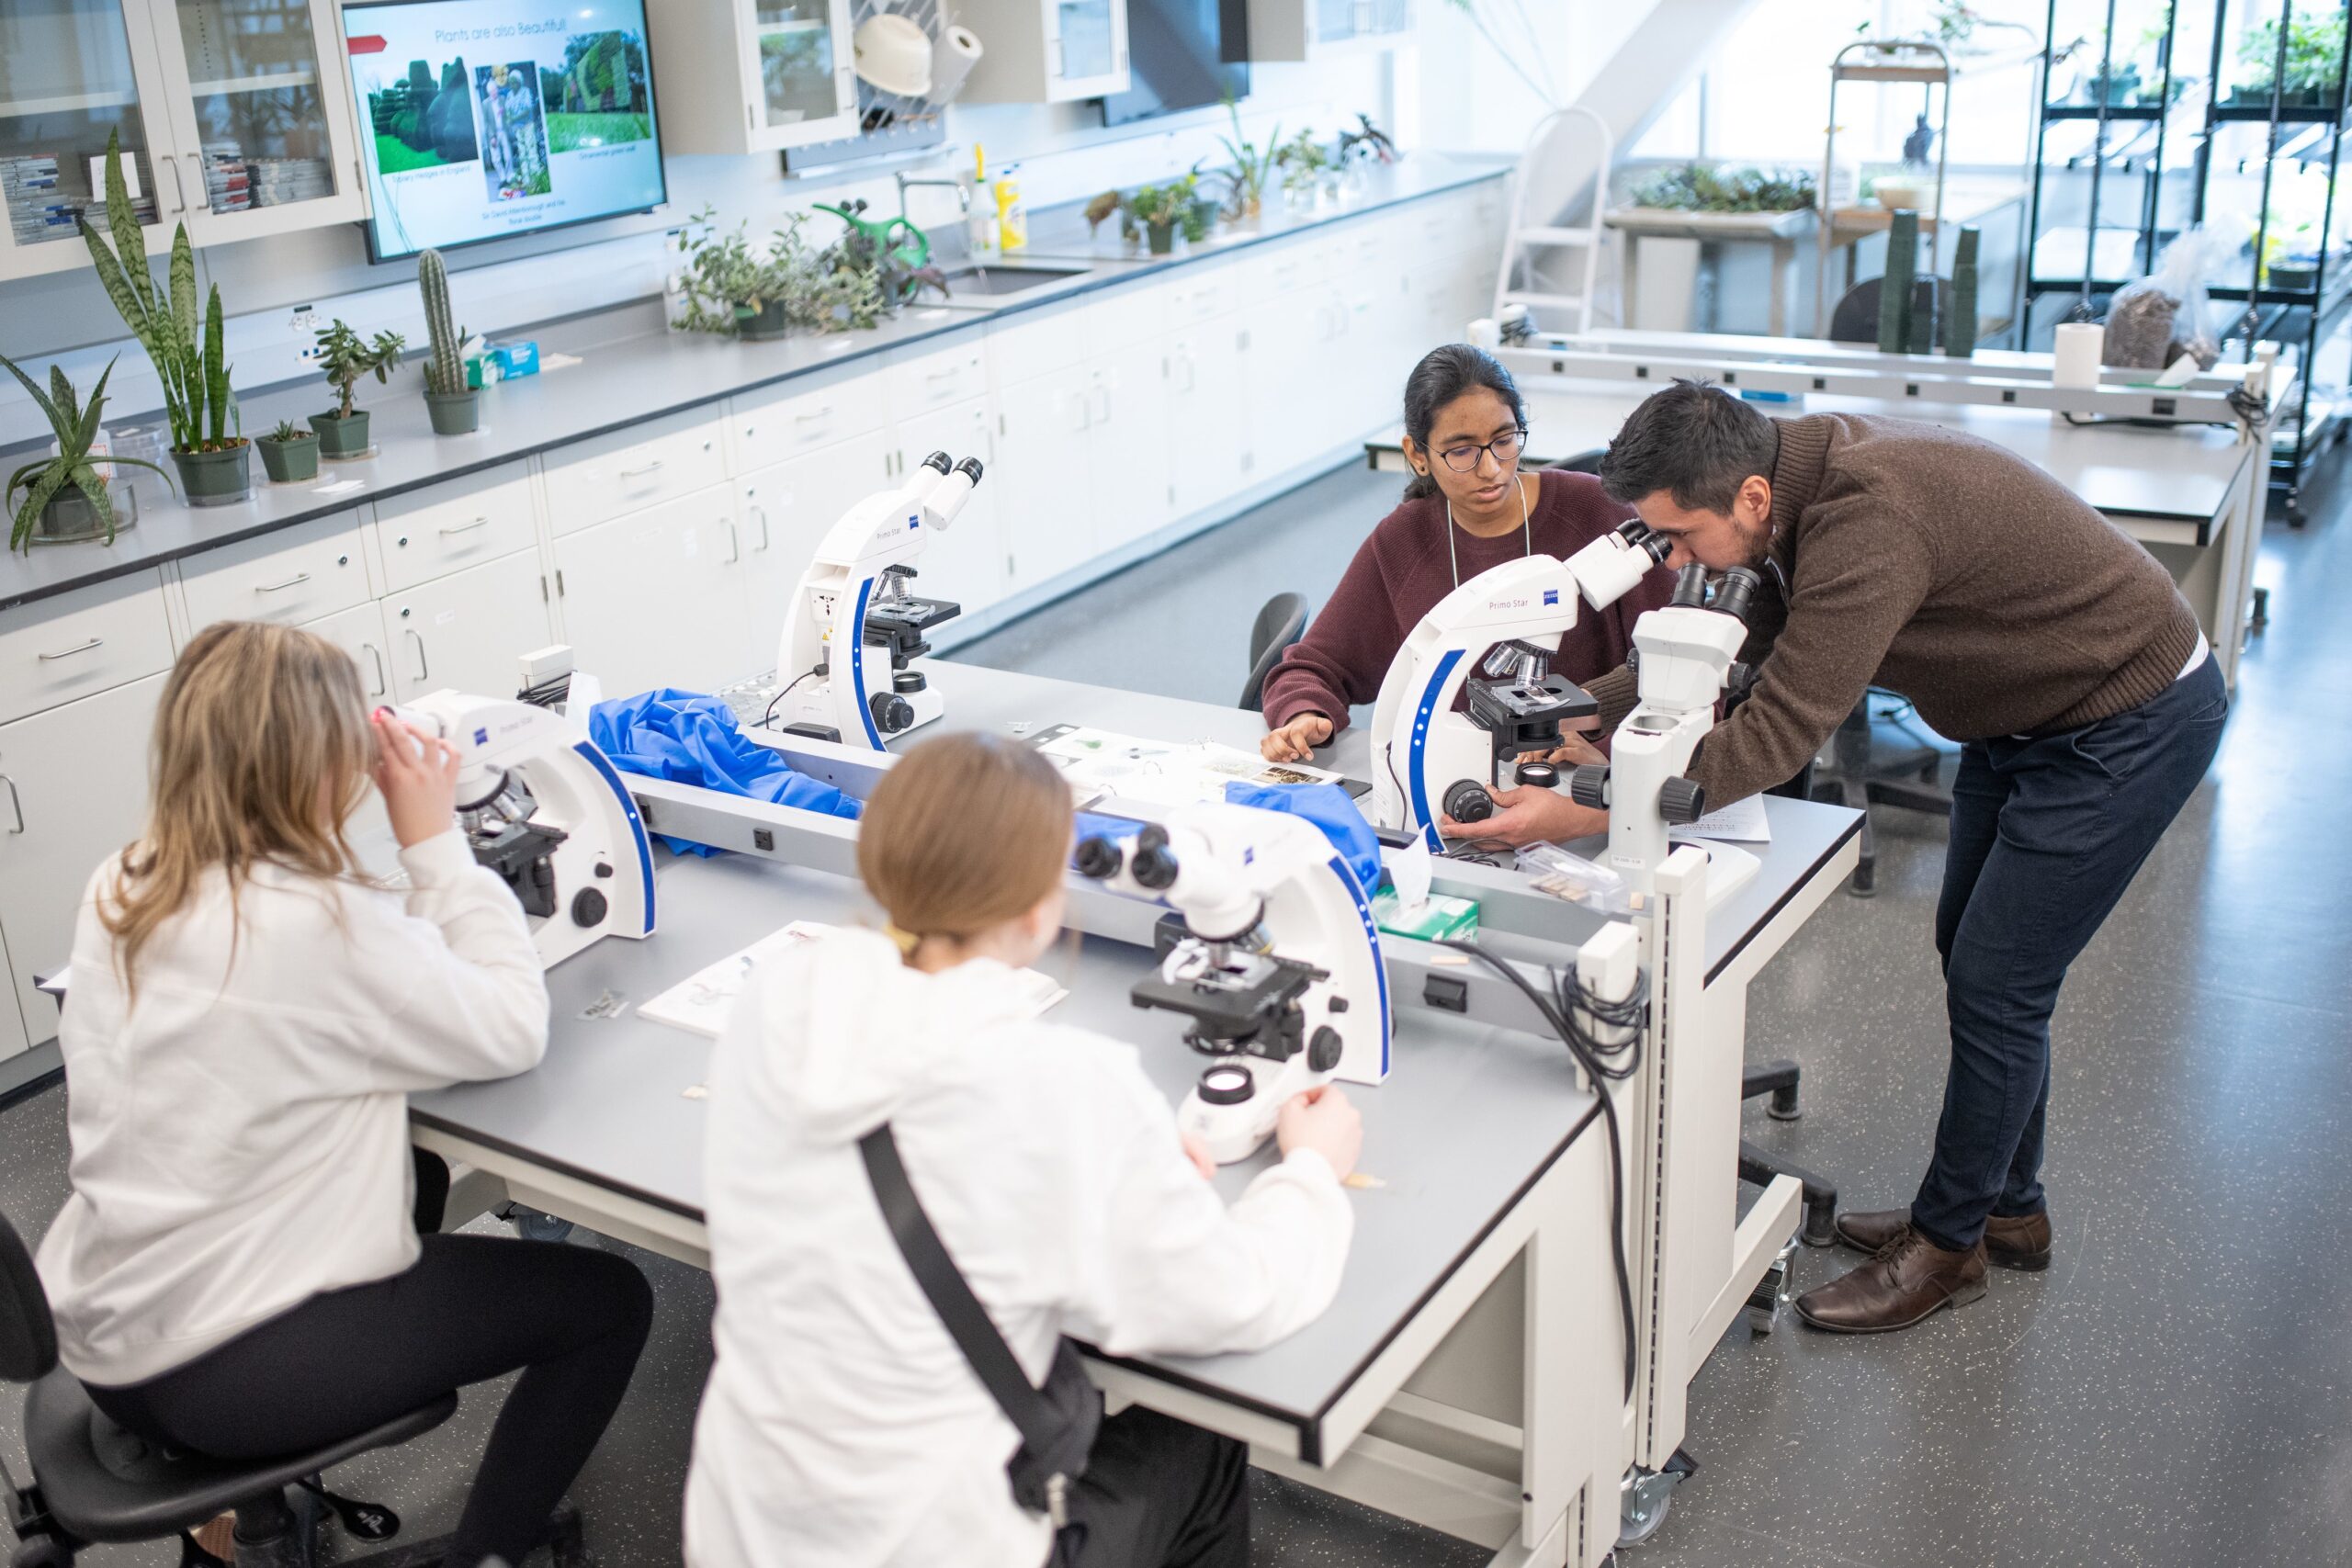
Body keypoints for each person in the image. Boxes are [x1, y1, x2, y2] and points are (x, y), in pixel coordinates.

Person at [1440, 380, 2228, 1335]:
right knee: (1972, 956)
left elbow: (1779, 727)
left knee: (1999, 981)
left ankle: (1949, 1248)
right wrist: (1571, 709)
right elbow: (1726, 648)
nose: (1677, 561)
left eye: (1682, 537)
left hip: (2124, 718)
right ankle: (2008, 1210)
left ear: (1749, 500)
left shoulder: (1868, 519)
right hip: (2020, 717)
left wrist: (1581, 810)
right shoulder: (1784, 489)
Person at [35, 621, 653, 1568]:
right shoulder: (314, 926)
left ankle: (232, 1529)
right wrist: (436, 841)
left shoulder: (125, 878)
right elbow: (509, 1029)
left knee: (405, 1169)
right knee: (609, 1300)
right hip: (223, 1369)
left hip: (108, 1337)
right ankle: (490, 1553)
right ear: (323, 763)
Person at [684, 731, 1363, 1568]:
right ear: (1043, 909)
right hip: (925, 1549)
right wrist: (1308, 1174)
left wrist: (1119, 1166)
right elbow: (1235, 1299)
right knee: (1201, 1446)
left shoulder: (778, 997)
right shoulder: (1062, 1085)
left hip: (741, 1529)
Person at [1260, 343, 1672, 764]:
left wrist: (1604, 757)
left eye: (1505, 440)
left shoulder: (1595, 511)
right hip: (1461, 778)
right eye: (1461, 451)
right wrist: (1304, 714)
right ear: (1417, 455)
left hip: (1592, 781)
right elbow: (1311, 668)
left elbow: (1675, 664)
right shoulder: (1403, 542)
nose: (1491, 469)